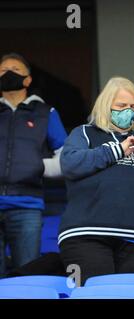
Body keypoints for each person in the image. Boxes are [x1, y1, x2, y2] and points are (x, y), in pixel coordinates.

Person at [58, 77, 134, 285]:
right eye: (121, 106)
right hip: (87, 235)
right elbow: (70, 163)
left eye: (133, 106)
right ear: (106, 106)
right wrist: (118, 150)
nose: (128, 111)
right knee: (96, 295)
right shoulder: (84, 133)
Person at [0, 53, 67, 277]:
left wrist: (37, 166)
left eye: (15, 70)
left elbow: (66, 157)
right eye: (3, 70)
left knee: (26, 276)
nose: (8, 73)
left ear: (28, 80)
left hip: (27, 206)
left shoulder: (46, 113)